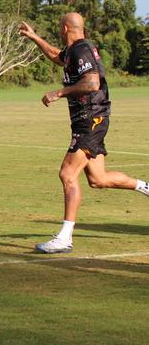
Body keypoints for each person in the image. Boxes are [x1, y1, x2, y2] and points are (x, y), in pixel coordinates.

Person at [20, 13, 149, 253]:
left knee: (68, 174)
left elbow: (92, 84)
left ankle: (64, 238)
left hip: (90, 119)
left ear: (65, 27)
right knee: (98, 179)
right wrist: (34, 36)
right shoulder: (72, 52)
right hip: (90, 120)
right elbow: (55, 56)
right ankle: (145, 186)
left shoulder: (82, 49)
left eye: (60, 27)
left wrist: (58, 93)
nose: (59, 30)